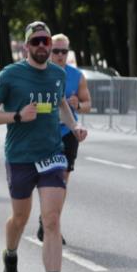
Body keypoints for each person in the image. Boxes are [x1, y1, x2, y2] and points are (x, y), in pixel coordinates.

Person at [0, 21, 79, 272]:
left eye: (45, 42)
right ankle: (10, 255)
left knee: (51, 220)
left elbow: (61, 104)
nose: (41, 47)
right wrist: (18, 116)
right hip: (20, 156)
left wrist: (75, 128)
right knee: (20, 218)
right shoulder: (11, 75)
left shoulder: (58, 74)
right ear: (26, 46)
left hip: (52, 155)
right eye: (35, 42)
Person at [37, 32, 90, 243]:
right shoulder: (39, 73)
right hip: (44, 132)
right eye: (55, 51)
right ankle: (47, 219)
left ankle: (50, 223)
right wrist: (54, 106)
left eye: (63, 51)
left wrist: (77, 105)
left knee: (62, 181)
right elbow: (28, 104)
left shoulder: (76, 76)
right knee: (45, 179)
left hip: (68, 133)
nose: (59, 55)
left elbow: (87, 104)